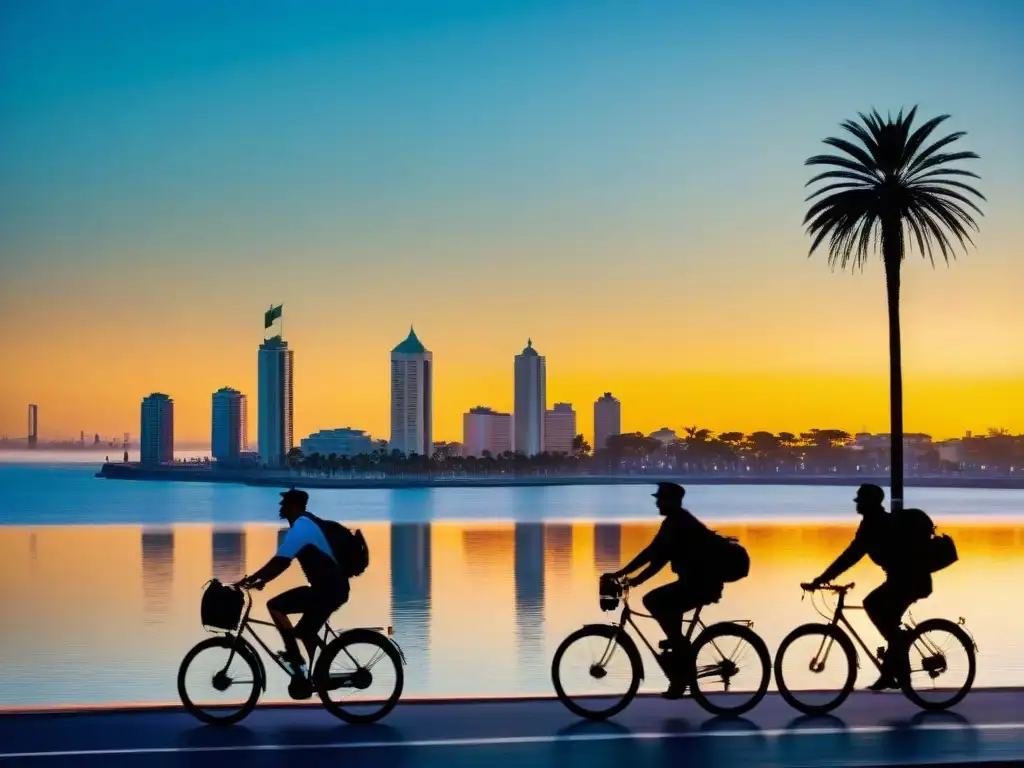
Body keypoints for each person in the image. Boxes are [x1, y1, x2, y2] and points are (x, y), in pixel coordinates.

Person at [605, 482, 727, 699]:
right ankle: (679, 653)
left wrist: (634, 579)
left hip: (702, 584)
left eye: (661, 499)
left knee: (653, 600)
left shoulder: (679, 523)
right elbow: (651, 552)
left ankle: (682, 665)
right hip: (694, 581)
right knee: (667, 605)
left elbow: (658, 559)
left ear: (672, 501)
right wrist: (624, 573)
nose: (657, 502)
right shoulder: (674, 522)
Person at [806, 483, 932, 691]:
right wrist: (824, 577)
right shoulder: (875, 521)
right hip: (903, 579)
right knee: (885, 618)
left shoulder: (874, 525)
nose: (857, 504)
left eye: (860, 501)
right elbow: (852, 554)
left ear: (869, 503)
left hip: (910, 580)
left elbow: (851, 556)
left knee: (874, 605)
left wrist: (822, 579)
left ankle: (897, 666)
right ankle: (893, 668)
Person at [238, 489, 349, 697]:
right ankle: (310, 670)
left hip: (329, 590)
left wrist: (253, 579)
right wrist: (261, 579)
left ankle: (297, 660)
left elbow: (281, 562)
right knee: (303, 630)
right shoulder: (305, 524)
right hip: (326, 589)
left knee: (276, 606)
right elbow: (282, 563)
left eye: (285, 505)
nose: (282, 509)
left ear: (296, 507)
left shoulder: (302, 528)